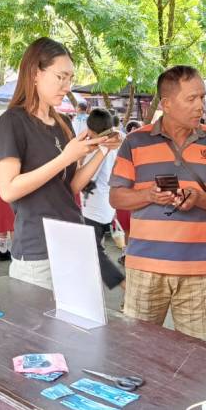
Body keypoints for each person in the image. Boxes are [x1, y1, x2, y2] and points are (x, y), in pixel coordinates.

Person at [109, 65, 206, 341]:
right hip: (143, 267)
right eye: (192, 99)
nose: (200, 105)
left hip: (198, 269)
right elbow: (116, 196)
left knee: (197, 358)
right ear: (166, 104)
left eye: (202, 97)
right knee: (137, 351)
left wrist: (201, 199)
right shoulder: (134, 141)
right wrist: (149, 195)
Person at [0, 38, 117, 288]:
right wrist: (65, 157)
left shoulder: (63, 123)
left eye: (70, 78)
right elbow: (8, 190)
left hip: (74, 241)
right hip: (38, 250)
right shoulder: (12, 121)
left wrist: (102, 150)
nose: (66, 86)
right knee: (40, 327)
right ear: (35, 73)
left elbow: (69, 187)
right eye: (61, 77)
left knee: (80, 326)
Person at [80, 107, 125, 289]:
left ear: (90, 129)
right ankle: (92, 283)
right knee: (94, 248)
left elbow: (86, 179)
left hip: (94, 207)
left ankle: (125, 286)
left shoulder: (99, 149)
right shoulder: (114, 146)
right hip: (107, 205)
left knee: (92, 251)